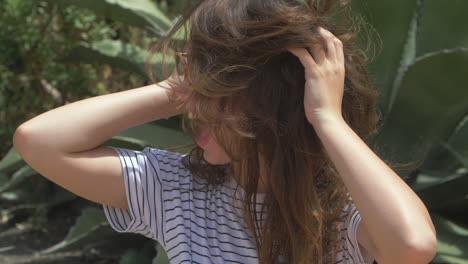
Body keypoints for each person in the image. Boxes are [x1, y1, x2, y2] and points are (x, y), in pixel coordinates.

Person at [13, 0, 437, 263]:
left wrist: (327, 118)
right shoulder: (179, 191)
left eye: (220, 94)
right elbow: (39, 142)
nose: (198, 107)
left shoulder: (342, 211)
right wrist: (179, 88)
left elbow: (412, 246)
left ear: (274, 109)